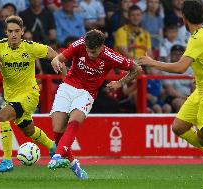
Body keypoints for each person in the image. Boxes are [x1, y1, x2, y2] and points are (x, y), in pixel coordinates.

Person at [47, 29, 141, 179]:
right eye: (88, 51)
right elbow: (57, 59)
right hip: (68, 87)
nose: (90, 55)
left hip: (87, 93)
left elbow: (137, 69)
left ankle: (57, 156)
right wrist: (56, 62)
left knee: (74, 121)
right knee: (57, 130)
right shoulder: (79, 44)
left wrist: (120, 82)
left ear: (102, 46)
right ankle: (74, 165)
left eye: (94, 52)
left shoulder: (111, 55)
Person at [138, 0, 203, 177]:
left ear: (183, 17)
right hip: (201, 90)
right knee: (179, 127)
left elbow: (180, 68)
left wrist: (152, 62)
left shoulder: (198, 38)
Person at [0, 15, 59, 173]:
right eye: (10, 31)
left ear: (22, 32)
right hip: (12, 97)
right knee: (28, 130)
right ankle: (53, 147)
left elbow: (52, 53)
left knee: (2, 116)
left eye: (16, 31)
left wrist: (56, 61)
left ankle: (7, 160)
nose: (13, 34)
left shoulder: (30, 47)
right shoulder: (0, 47)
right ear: (6, 32)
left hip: (30, 94)